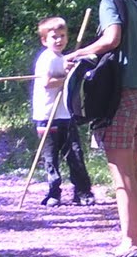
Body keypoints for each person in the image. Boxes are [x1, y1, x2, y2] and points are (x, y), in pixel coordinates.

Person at [64, 0, 137, 257]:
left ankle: (128, 243)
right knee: (135, 171)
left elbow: (112, 39)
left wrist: (77, 54)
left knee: (121, 176)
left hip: (122, 99)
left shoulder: (110, 3)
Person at [32, 16, 95, 208]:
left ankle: (82, 192)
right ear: (44, 40)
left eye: (62, 35)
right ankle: (53, 193)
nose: (59, 40)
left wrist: (73, 69)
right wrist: (68, 77)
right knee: (51, 158)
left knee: (75, 154)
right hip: (47, 117)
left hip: (65, 116)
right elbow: (47, 83)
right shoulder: (47, 58)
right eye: (54, 37)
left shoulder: (61, 58)